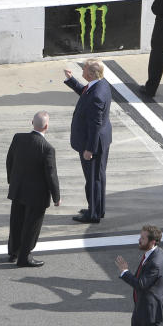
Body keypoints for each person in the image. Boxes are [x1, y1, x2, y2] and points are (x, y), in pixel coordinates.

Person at [6, 111, 61, 268]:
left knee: (16, 223)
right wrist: (56, 197)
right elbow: (51, 175)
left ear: (32, 123)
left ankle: (13, 252)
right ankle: (24, 257)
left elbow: (9, 160)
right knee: (31, 227)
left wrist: (12, 181)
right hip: (37, 196)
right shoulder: (47, 148)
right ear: (46, 126)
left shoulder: (18, 138)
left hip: (18, 190)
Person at [64, 59, 113, 224]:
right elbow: (86, 93)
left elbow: (95, 125)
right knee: (99, 176)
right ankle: (98, 208)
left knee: (93, 180)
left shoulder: (97, 95)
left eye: (84, 69)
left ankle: (93, 214)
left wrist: (89, 149)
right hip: (102, 140)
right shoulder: (101, 85)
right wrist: (72, 81)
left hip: (93, 144)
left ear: (91, 74)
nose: (82, 71)